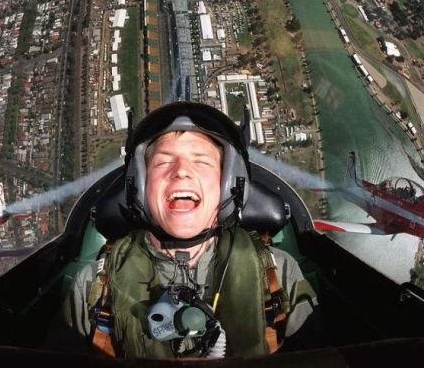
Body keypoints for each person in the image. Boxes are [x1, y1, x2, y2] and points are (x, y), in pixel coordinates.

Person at [71, 102, 316, 358]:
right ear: (139, 185)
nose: (181, 172)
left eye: (201, 162)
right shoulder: (94, 288)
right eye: (163, 162)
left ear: (230, 183)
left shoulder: (278, 275)